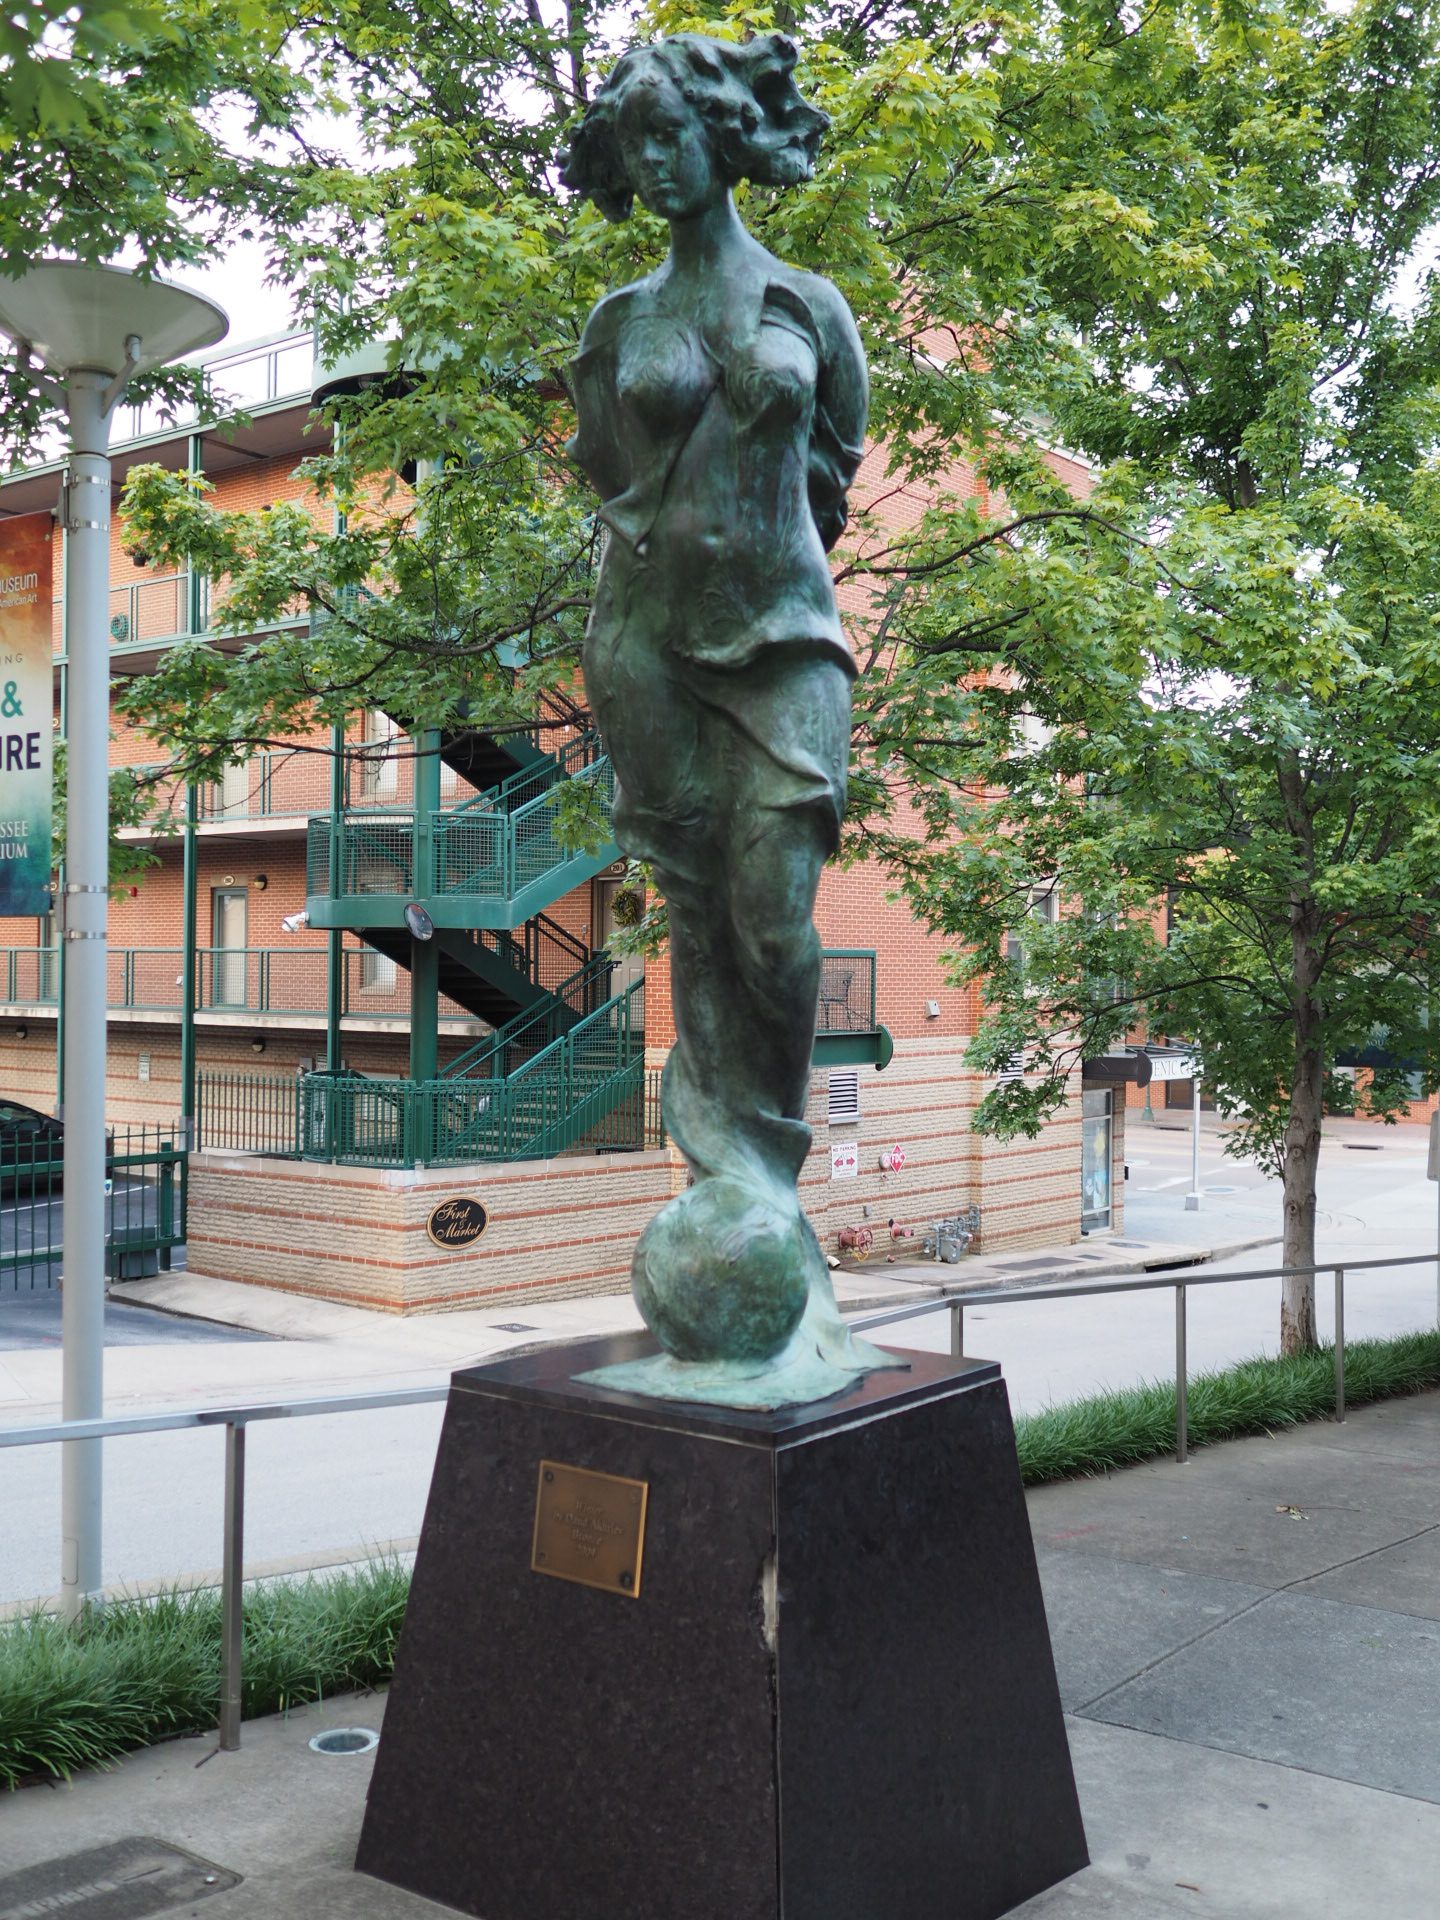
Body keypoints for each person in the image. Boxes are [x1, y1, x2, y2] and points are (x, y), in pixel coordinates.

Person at [562, 31, 894, 1403]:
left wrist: (754, 550)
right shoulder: (618, 323)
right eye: (633, 142)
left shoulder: (809, 305)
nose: (654, 162)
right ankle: (735, 1200)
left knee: (775, 916)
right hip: (644, 645)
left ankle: (771, 1158)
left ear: (725, 135)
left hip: (784, 642)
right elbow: (612, 482)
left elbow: (836, 466)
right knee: (695, 912)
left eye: (672, 134)